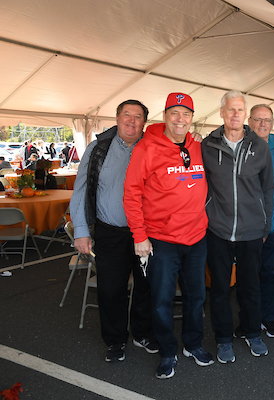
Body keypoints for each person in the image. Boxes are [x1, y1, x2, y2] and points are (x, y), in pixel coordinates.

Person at [123, 92, 212, 379]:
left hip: (197, 237)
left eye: (186, 114)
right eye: (174, 113)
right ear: (165, 116)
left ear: (191, 118)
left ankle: (193, 344)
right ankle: (167, 350)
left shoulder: (197, 145)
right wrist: (139, 235)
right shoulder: (146, 148)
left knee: (196, 296)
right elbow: (132, 193)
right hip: (161, 239)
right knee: (161, 300)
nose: (180, 119)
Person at [70, 99, 156, 363]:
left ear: (145, 123)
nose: (131, 120)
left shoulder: (153, 148)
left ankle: (142, 333)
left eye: (138, 116)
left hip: (148, 234)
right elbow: (81, 189)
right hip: (110, 232)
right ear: (117, 118)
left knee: (146, 286)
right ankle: (115, 339)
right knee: (110, 289)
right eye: (126, 115)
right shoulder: (98, 149)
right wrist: (81, 231)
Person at [202, 90, 274, 363]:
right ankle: (223, 339)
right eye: (230, 110)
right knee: (219, 288)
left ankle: (252, 332)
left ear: (245, 115)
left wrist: (265, 225)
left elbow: (268, 187)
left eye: (239, 110)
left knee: (250, 287)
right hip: (218, 229)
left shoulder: (260, 146)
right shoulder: (207, 145)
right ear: (221, 113)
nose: (235, 115)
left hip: (251, 231)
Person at [240, 104, 274, 339]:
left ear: (272, 122)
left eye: (267, 120)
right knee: (247, 276)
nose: (262, 124)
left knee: (270, 273)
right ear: (249, 120)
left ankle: (268, 318)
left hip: (272, 222)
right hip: (246, 225)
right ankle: (247, 320)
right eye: (258, 120)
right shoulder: (238, 142)